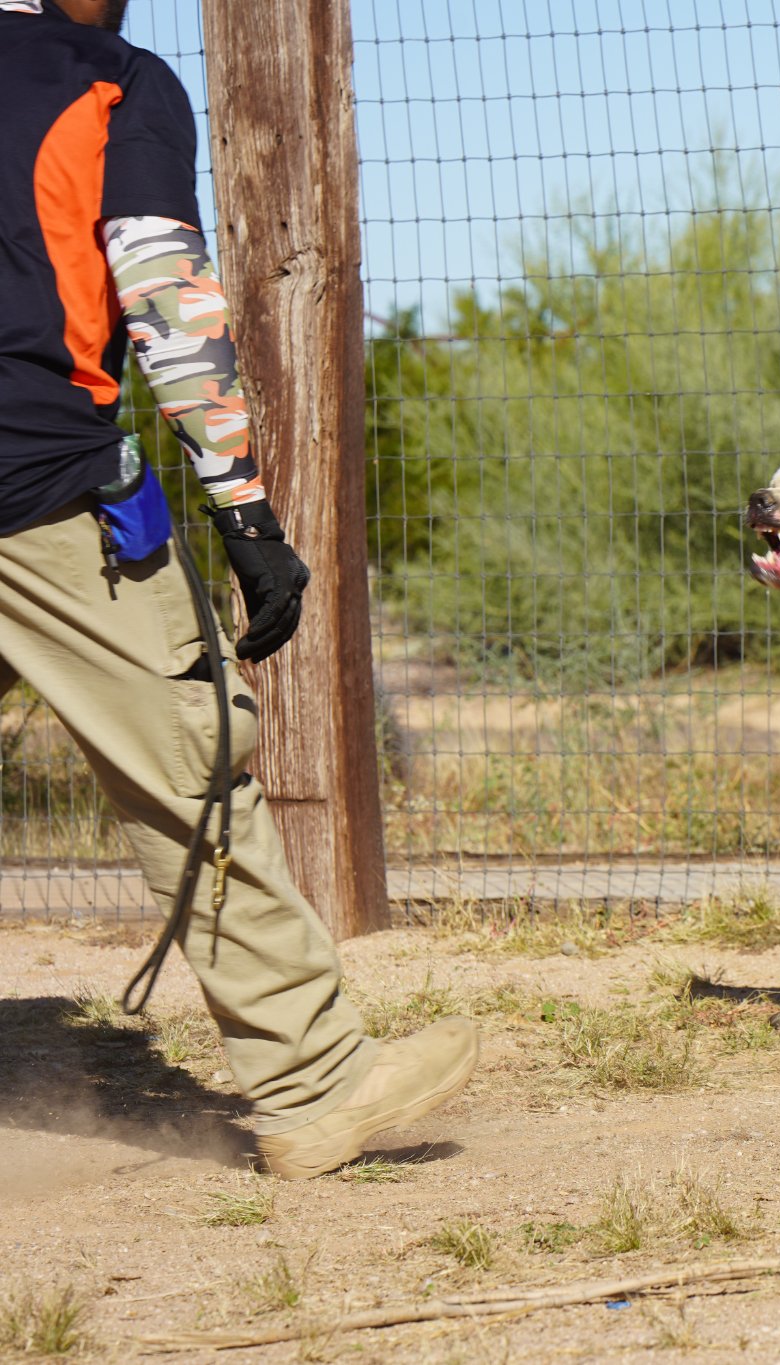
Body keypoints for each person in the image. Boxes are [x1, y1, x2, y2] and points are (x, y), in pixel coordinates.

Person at [0, 0, 476, 1177]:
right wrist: (244, 511)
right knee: (190, 762)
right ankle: (313, 1086)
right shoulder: (106, 79)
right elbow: (162, 298)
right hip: (40, 489)